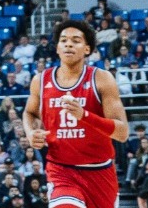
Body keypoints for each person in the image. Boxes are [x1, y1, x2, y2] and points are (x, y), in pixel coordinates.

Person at [23, 20, 128, 208]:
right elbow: (30, 113)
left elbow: (122, 133)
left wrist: (84, 116)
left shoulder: (102, 79)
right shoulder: (41, 80)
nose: (68, 44)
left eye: (75, 40)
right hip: (61, 170)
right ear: (57, 48)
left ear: (87, 49)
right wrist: (31, 133)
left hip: (100, 171)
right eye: (63, 40)